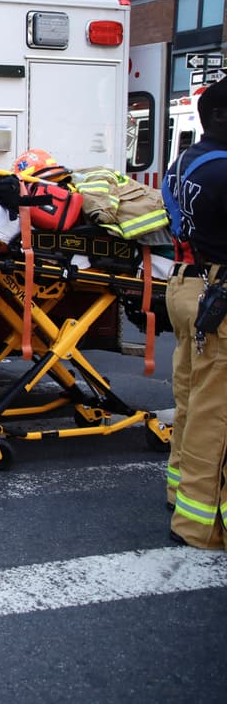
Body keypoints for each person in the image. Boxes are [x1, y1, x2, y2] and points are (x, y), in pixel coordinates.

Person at [163, 77, 227, 550]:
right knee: (216, 413)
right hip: (216, 290)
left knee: (191, 398)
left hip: (187, 285)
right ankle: (201, 526)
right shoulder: (223, 172)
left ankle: (181, 493)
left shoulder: (185, 162)